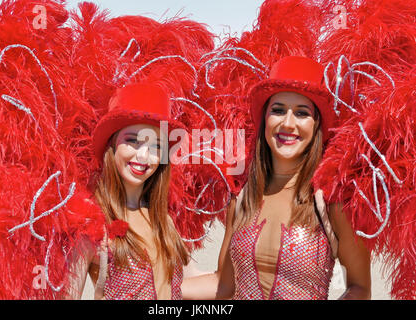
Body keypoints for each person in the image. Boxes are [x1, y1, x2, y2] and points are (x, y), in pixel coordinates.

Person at [182, 56, 371, 300]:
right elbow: (224, 285)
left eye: (302, 113)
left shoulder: (331, 201)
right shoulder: (242, 196)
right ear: (265, 120)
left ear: (316, 126)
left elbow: (360, 288)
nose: (287, 123)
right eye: (278, 110)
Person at [66, 82, 190, 300]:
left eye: (155, 146)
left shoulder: (164, 221)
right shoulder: (92, 223)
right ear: (111, 144)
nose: (143, 156)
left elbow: (182, 287)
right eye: (133, 140)